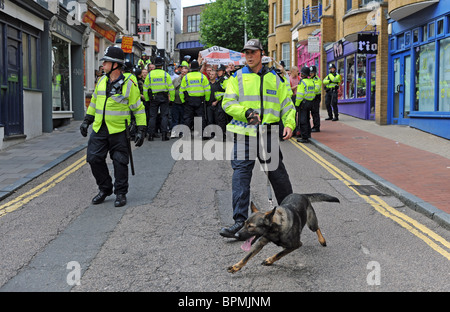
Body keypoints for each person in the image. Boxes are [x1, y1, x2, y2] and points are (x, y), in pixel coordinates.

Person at [219, 39, 296, 239]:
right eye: (247, 53)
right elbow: (228, 104)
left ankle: (291, 217)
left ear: (261, 54)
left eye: (253, 52)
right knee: (240, 178)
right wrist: (246, 113)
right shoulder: (236, 77)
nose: (250, 56)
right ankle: (239, 222)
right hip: (244, 134)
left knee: (279, 178)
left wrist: (289, 123)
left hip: (268, 135)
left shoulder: (275, 79)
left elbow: (287, 104)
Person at [80, 47, 147, 207]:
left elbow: (138, 108)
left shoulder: (129, 83)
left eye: (106, 61)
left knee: (120, 161)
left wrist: (141, 129)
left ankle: (121, 193)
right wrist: (87, 120)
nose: (103, 64)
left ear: (115, 65)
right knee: (93, 158)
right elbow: (95, 101)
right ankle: (105, 188)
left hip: (119, 130)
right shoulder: (102, 80)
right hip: (99, 128)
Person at [143, 56, 175, 141]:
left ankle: (150, 135)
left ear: (155, 64)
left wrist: (146, 99)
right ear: (162, 65)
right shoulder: (165, 74)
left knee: (152, 116)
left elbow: (145, 88)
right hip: (164, 97)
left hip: (153, 98)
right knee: (164, 116)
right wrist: (171, 99)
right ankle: (164, 135)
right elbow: (171, 88)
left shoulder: (150, 75)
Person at [179, 59, 211, 138]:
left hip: (189, 100)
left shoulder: (186, 77)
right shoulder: (202, 77)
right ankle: (203, 134)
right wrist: (206, 100)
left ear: (191, 68)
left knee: (188, 117)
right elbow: (207, 90)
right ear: (198, 67)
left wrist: (183, 100)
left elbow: (181, 90)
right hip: (200, 100)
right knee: (201, 117)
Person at [296, 66, 316, 143]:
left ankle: (304, 137)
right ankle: (308, 134)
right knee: (307, 119)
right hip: (311, 102)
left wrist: (297, 105)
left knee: (303, 120)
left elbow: (300, 95)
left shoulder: (302, 82)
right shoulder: (311, 81)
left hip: (303, 103)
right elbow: (314, 93)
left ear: (303, 74)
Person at [171, 66, 188, 137]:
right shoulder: (176, 79)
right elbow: (172, 88)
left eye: (185, 72)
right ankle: (174, 132)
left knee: (183, 118)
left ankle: (181, 132)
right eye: (182, 72)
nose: (183, 73)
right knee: (175, 118)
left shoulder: (188, 80)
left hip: (184, 102)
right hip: (176, 101)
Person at [309, 65, 322, 132]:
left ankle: (317, 127)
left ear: (315, 73)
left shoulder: (317, 80)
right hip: (312, 98)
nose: (310, 74)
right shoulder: (310, 79)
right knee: (313, 113)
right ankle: (314, 126)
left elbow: (316, 89)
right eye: (310, 73)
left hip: (316, 97)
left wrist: (309, 90)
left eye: (311, 73)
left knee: (315, 112)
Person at [289, 66, 300, 137]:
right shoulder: (289, 79)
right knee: (293, 114)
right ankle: (293, 130)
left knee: (299, 114)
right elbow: (289, 89)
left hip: (298, 97)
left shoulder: (299, 78)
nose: (298, 72)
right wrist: (296, 86)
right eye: (297, 71)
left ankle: (298, 130)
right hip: (292, 97)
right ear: (293, 71)